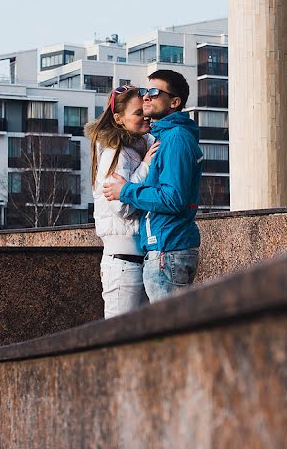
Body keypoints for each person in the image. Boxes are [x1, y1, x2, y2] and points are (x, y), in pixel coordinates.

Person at [103, 69, 203, 302]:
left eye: (155, 92)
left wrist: (126, 191)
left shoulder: (176, 138)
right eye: (146, 91)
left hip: (168, 251)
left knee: (167, 334)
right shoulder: (164, 137)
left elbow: (173, 198)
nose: (146, 96)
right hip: (165, 250)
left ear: (175, 102)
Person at [85, 85, 159, 319]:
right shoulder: (115, 153)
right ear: (118, 119)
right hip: (122, 264)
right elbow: (122, 206)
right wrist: (146, 167)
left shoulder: (136, 149)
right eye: (138, 113)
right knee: (119, 344)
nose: (145, 116)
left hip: (139, 260)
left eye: (145, 111)